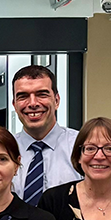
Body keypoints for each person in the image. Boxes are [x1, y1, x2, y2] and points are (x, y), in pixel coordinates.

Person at [9, 65, 79, 207]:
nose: (33, 103)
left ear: (57, 101)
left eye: (42, 94)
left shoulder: (81, 147)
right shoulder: (3, 150)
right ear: (14, 105)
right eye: (23, 96)